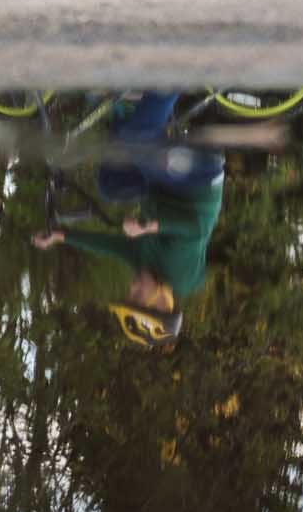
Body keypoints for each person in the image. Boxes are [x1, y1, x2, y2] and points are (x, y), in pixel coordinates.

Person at [30, 92, 225, 352]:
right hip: (198, 176)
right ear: (161, 303)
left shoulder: (143, 267)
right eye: (136, 296)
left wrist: (61, 236)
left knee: (111, 186)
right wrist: (149, 226)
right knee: (137, 142)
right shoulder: (181, 277)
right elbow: (194, 228)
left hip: (162, 187)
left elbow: (111, 247)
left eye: (129, 295)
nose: (132, 287)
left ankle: (126, 105)